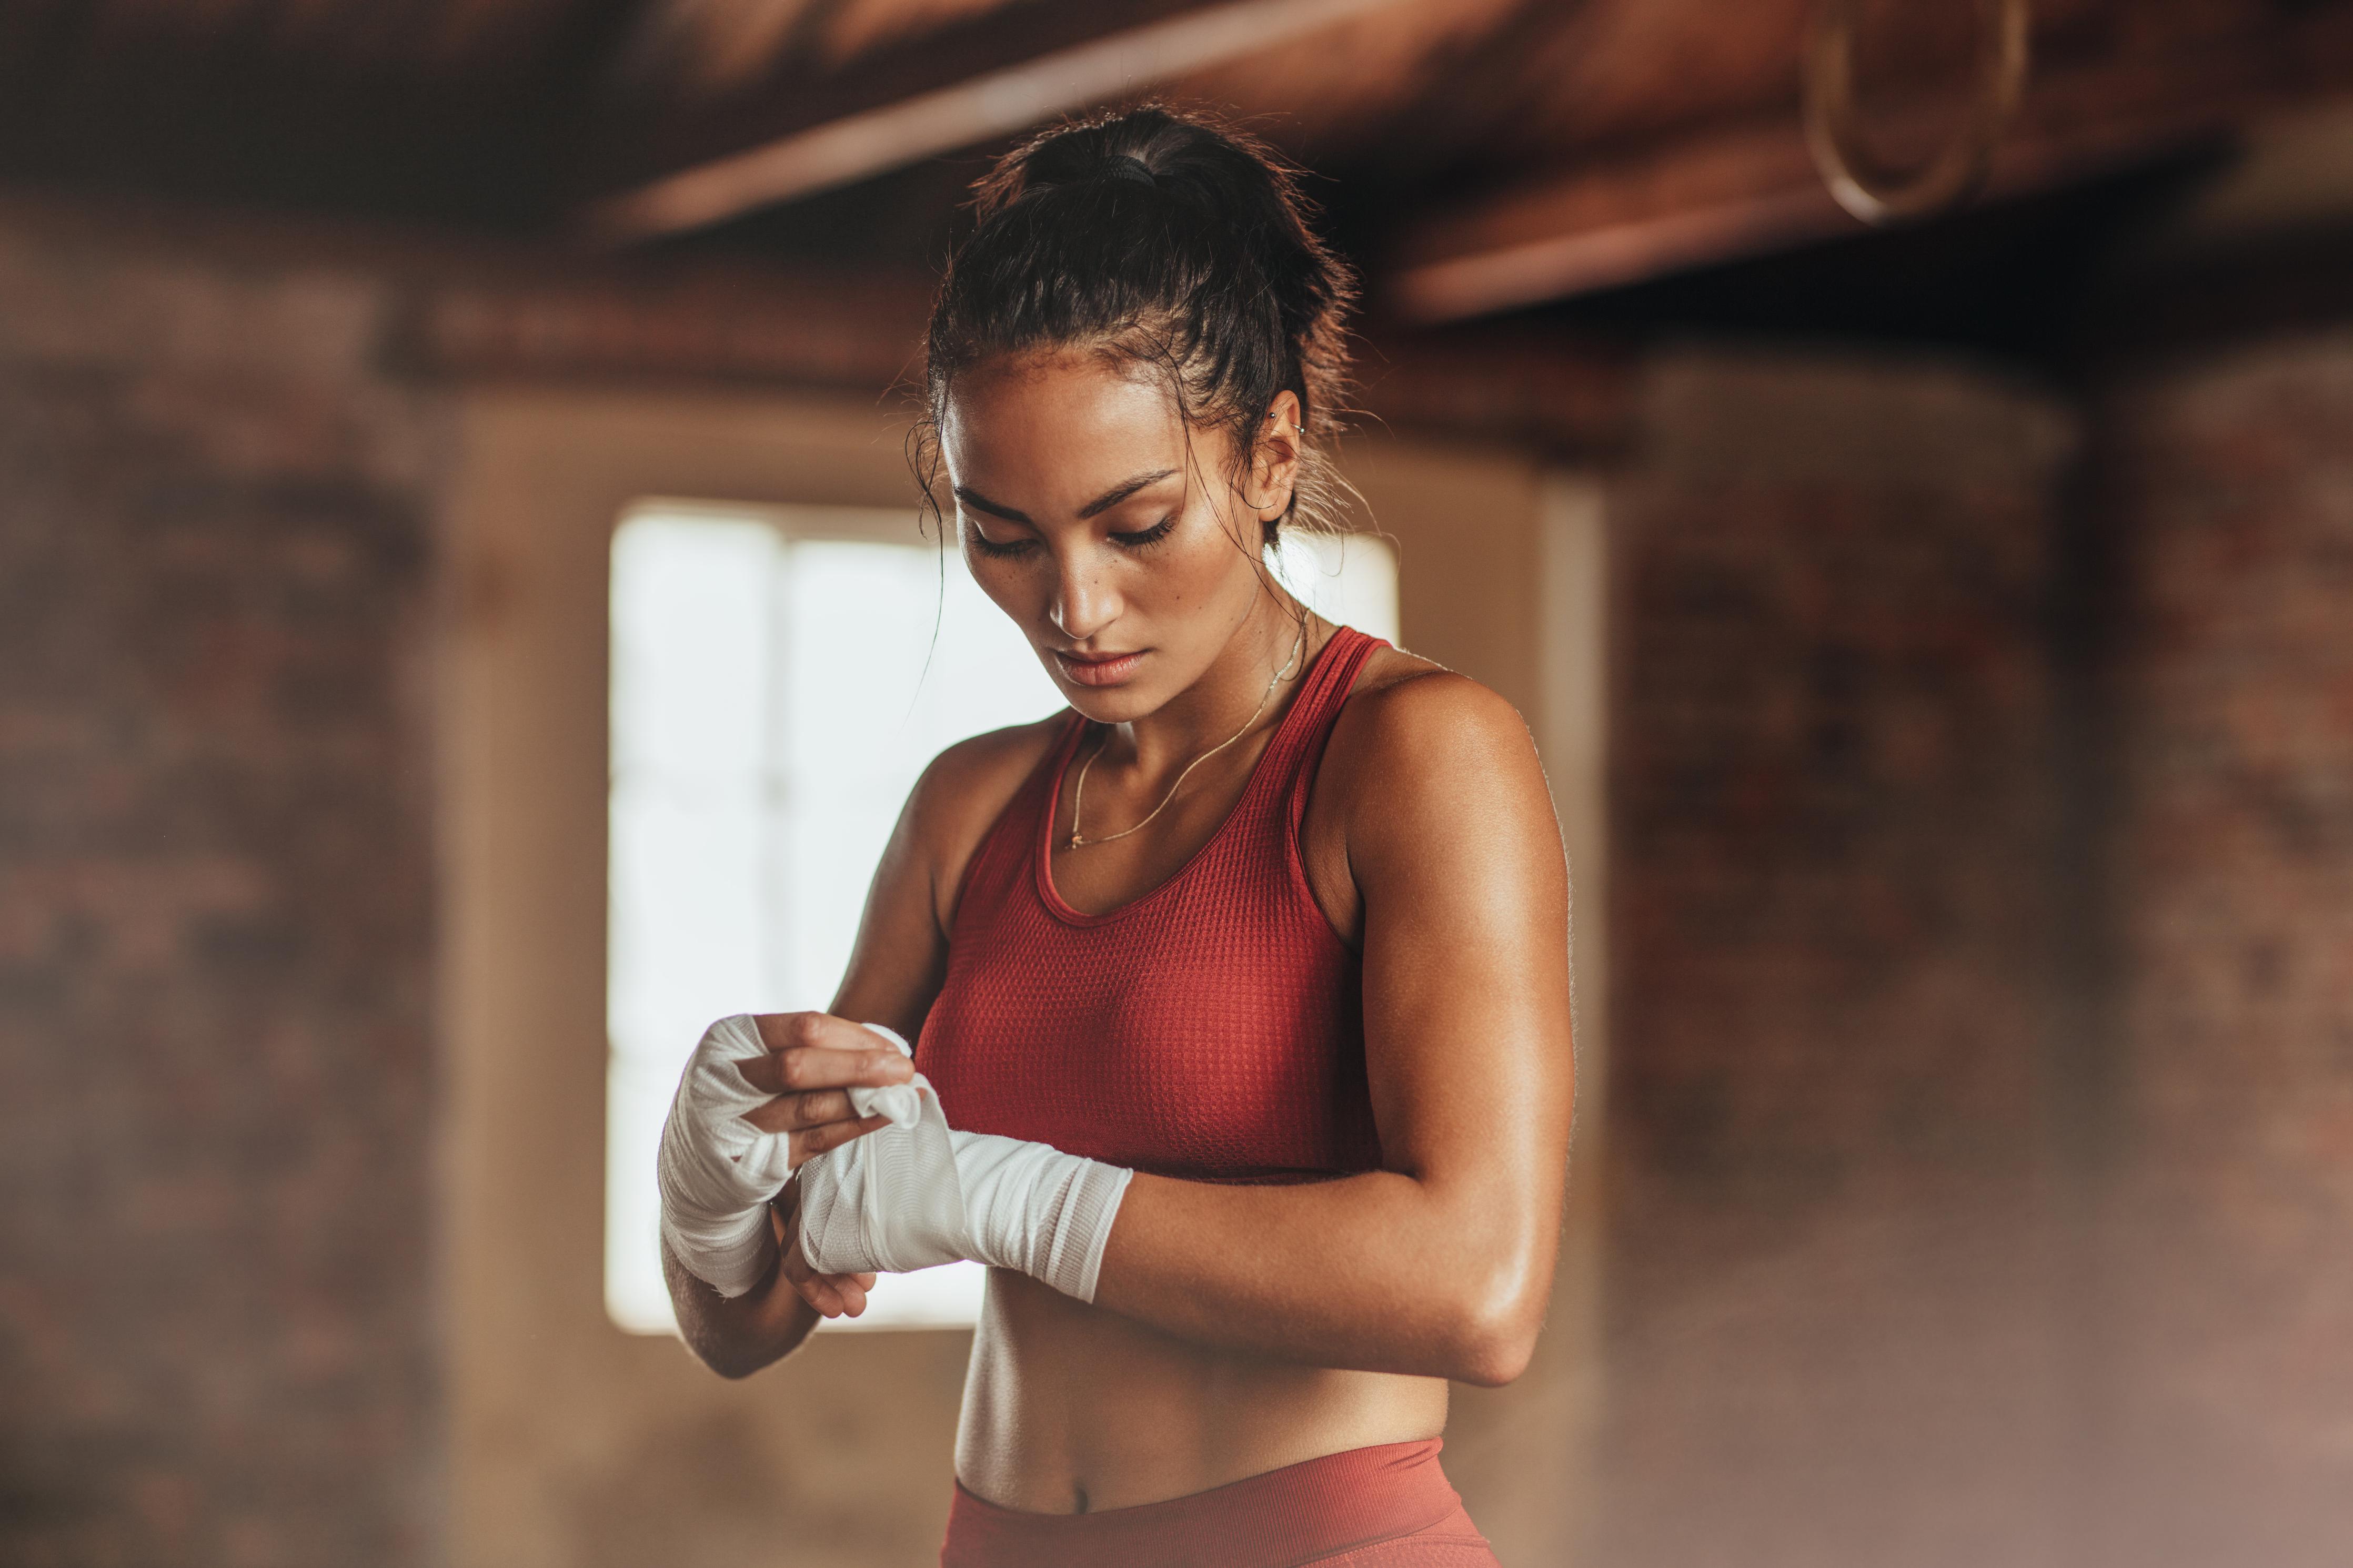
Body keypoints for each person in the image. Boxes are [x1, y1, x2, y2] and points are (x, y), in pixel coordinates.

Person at [658, 102, 1575, 1566]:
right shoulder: (971, 809)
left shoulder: (1411, 756)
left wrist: (1006, 1193)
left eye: (1135, 526)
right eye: (1007, 535)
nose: (1072, 609)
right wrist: (705, 1196)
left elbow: (1481, 1288)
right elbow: (755, 1317)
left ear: (1271, 459)